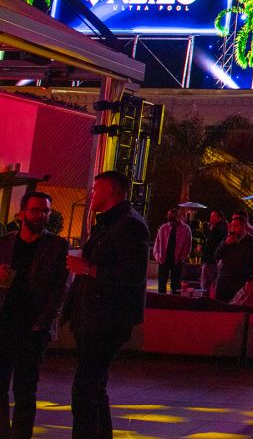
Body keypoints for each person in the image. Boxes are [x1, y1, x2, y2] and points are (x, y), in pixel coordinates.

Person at [63, 171, 150, 439]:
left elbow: (131, 275)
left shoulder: (129, 226)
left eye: (96, 189)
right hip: (92, 318)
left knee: (86, 388)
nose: (91, 194)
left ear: (111, 191)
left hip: (107, 320)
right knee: (94, 387)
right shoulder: (109, 224)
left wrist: (87, 268)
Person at [0, 191, 68, 439]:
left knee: (25, 389)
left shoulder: (57, 246)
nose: (41, 215)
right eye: (36, 210)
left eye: (45, 211)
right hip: (4, 322)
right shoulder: (5, 242)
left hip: (33, 327)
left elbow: (61, 289)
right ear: (22, 214)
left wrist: (44, 322)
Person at [214, 212, 253, 303]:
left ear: (243, 226)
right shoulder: (227, 239)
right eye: (232, 226)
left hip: (239, 282)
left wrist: (250, 279)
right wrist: (226, 244)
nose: (232, 228)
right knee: (219, 308)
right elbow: (216, 256)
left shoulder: (252, 242)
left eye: (236, 226)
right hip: (223, 280)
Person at [153, 207, 192, 295]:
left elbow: (188, 245)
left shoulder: (185, 229)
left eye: (172, 217)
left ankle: (175, 302)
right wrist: (158, 256)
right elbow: (157, 243)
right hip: (164, 259)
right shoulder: (163, 228)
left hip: (177, 260)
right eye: (169, 216)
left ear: (178, 217)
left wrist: (182, 258)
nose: (170, 219)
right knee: (162, 284)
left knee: (176, 285)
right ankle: (161, 302)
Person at [200, 210, 227, 298]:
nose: (210, 218)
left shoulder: (218, 230)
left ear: (219, 218)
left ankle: (206, 300)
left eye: (213, 216)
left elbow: (211, 245)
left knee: (207, 283)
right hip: (211, 260)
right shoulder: (215, 228)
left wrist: (203, 249)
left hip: (211, 260)